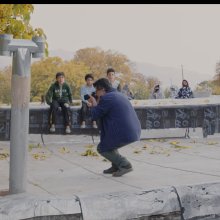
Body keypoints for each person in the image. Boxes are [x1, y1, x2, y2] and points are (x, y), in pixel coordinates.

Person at [88, 78, 141, 177]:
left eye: (97, 91)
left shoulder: (107, 98)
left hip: (124, 132)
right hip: (133, 130)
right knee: (110, 144)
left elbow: (95, 115)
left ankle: (125, 165)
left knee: (102, 148)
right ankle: (116, 165)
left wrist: (94, 103)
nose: (96, 93)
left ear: (103, 89)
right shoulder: (118, 94)